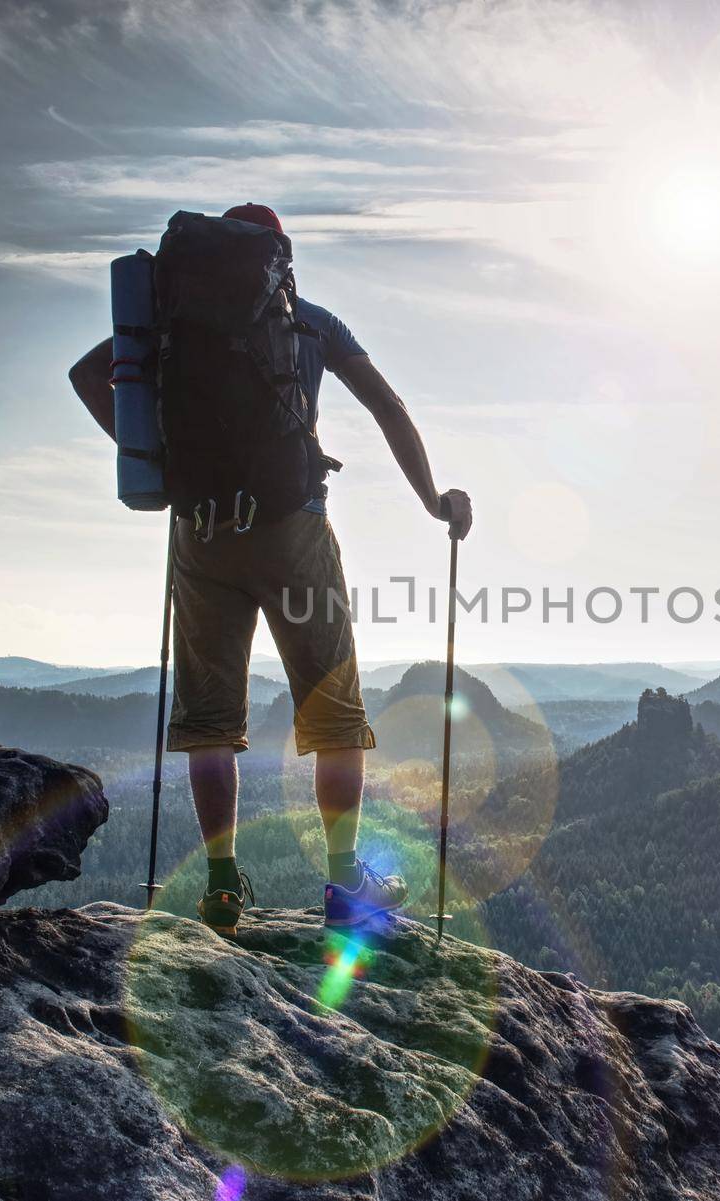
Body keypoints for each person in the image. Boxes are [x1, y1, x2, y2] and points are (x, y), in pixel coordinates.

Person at [69, 202, 471, 936]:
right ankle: (346, 883)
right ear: (279, 257)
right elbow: (387, 405)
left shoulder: (170, 324)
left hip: (199, 532)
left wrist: (155, 463)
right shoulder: (310, 322)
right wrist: (434, 501)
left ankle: (222, 886)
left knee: (210, 722)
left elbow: (89, 373)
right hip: (293, 529)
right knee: (335, 716)